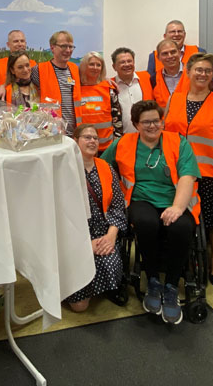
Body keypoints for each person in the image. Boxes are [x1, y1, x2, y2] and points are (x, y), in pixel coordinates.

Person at [102, 100, 200, 325]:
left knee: (182, 226)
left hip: (174, 199)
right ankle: (154, 279)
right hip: (140, 199)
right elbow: (102, 166)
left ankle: (172, 285)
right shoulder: (124, 142)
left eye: (156, 121)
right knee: (146, 223)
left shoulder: (178, 142)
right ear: (136, 124)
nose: (152, 126)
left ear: (162, 120)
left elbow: (188, 176)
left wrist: (177, 207)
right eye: (146, 122)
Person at [163, 53, 213, 286]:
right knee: (180, 221)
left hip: (210, 174)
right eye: (198, 69)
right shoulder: (175, 98)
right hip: (177, 174)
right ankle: (182, 261)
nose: (202, 74)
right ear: (188, 72)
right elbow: (164, 134)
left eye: (207, 70)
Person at [64, 124, 127, 312]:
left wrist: (111, 236)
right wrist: (84, 243)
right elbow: (60, 214)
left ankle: (105, 285)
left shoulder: (106, 167)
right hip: (75, 237)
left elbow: (117, 206)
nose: (92, 141)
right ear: (75, 141)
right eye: (87, 137)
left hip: (104, 233)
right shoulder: (64, 170)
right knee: (80, 307)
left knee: (109, 261)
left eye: (95, 138)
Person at [30, 31, 82, 135]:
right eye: (63, 46)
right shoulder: (39, 70)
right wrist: (2, 86)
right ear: (52, 47)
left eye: (70, 47)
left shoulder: (75, 69)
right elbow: (18, 82)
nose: (68, 50)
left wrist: (105, 78)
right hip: (51, 132)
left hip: (75, 132)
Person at [78, 52, 122, 152]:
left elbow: (117, 118)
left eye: (99, 65)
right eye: (91, 64)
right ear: (84, 66)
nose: (95, 67)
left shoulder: (109, 88)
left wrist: (117, 142)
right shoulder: (75, 89)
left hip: (107, 146)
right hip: (83, 147)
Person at [146, 20, 203, 89]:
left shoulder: (198, 52)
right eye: (172, 32)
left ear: (184, 34)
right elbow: (150, 83)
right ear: (165, 36)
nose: (176, 34)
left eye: (179, 31)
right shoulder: (154, 56)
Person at [109, 47, 153, 134]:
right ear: (114, 66)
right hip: (122, 138)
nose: (127, 64)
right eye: (122, 62)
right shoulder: (110, 85)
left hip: (148, 136)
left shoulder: (147, 78)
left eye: (129, 61)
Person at [151, 38, 184, 108]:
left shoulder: (193, 74)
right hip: (164, 118)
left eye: (173, 52)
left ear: (179, 53)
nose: (170, 56)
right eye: (165, 53)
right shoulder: (153, 79)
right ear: (158, 57)